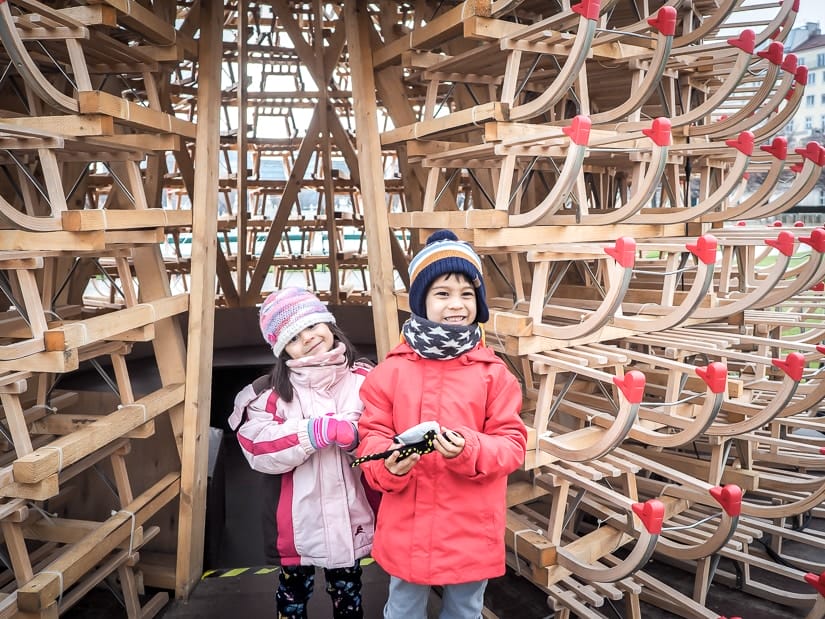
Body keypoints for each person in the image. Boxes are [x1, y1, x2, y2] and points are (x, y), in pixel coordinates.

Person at [356, 230, 527, 619]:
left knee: (465, 610)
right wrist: (387, 462)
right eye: (443, 293)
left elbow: (512, 444)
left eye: (467, 294)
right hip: (409, 525)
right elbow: (371, 438)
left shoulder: (494, 375)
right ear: (421, 302)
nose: (457, 304)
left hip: (471, 524)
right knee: (402, 608)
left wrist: (471, 448)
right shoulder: (389, 372)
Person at [228, 287, 375, 619]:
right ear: (282, 351)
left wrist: (356, 437)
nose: (307, 338)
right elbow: (256, 445)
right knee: (292, 595)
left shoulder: (365, 379)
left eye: (312, 326)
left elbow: (386, 432)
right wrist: (310, 433)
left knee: (349, 592)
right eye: (294, 337)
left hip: (351, 518)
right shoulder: (272, 394)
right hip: (296, 528)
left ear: (329, 323)